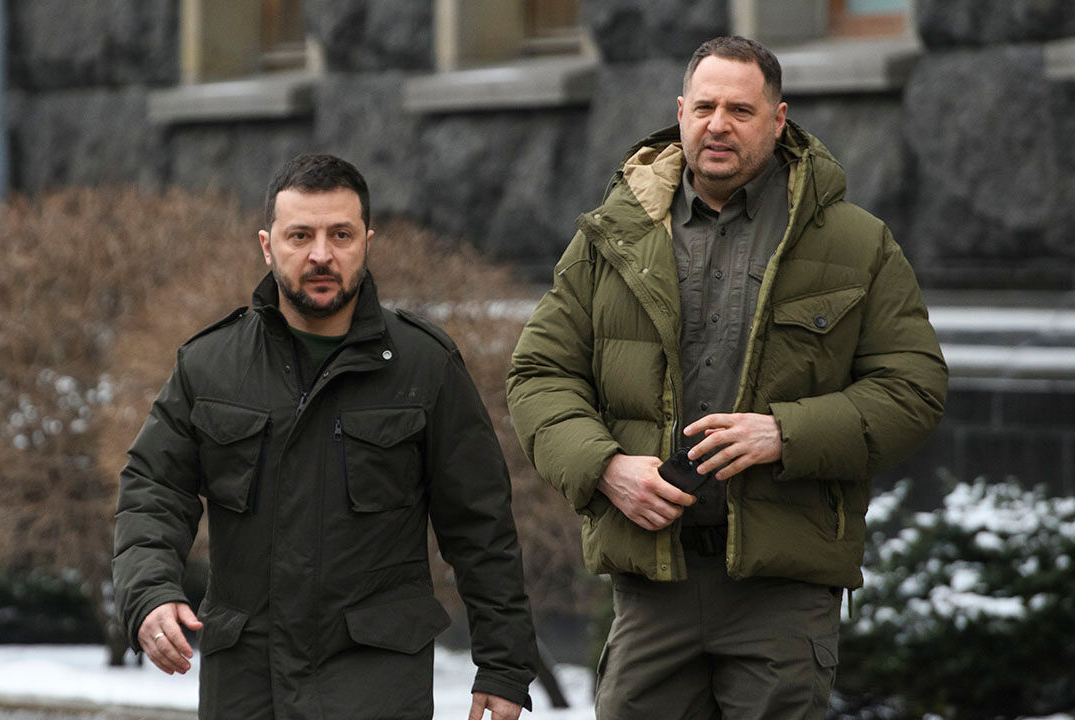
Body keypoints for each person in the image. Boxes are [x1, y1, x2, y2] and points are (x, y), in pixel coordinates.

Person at [506, 36, 947, 719]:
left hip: (782, 591)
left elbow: (913, 388)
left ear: (778, 120)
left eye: (740, 109)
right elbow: (539, 374)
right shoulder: (609, 239)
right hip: (654, 580)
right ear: (681, 112)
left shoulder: (856, 243)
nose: (718, 124)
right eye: (705, 106)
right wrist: (605, 468)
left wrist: (786, 434)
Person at [113, 154, 537, 720]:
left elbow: (480, 523)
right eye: (300, 235)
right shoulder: (210, 365)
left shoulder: (423, 367)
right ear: (267, 246)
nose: (321, 254)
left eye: (340, 234)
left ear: (367, 241)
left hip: (376, 677)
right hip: (248, 680)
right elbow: (153, 489)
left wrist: (504, 665)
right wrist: (149, 593)